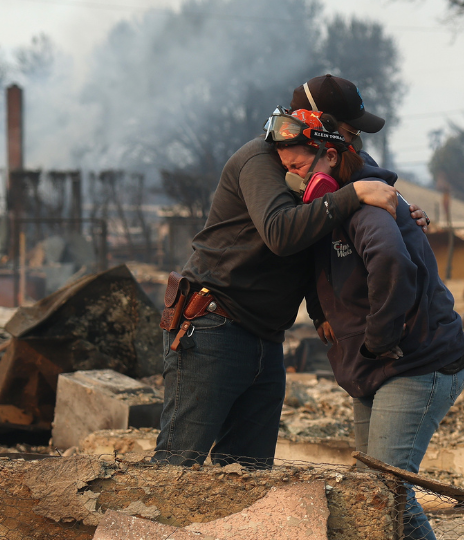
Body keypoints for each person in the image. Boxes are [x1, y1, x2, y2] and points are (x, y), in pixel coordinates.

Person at [155, 75, 429, 468]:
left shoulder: (327, 162)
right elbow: (282, 233)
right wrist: (352, 195)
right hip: (214, 327)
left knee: (247, 472)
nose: (355, 145)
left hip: (266, 337)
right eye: (351, 133)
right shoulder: (261, 161)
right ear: (324, 125)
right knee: (178, 464)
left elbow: (324, 232)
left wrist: (403, 207)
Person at [275, 109, 464, 540]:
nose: (294, 177)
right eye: (289, 168)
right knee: (372, 489)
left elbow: (390, 261)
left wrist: (380, 338)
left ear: (332, 154)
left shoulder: (368, 207)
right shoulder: (334, 211)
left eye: (301, 166)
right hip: (374, 369)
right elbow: (319, 268)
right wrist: (321, 312)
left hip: (416, 363)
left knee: (386, 489)